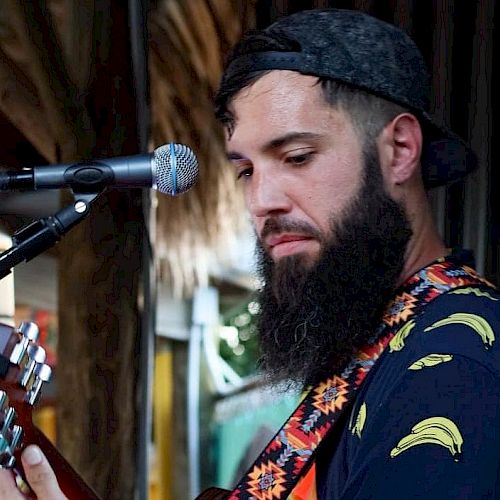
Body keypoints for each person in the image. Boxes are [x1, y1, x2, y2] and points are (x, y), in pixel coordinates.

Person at [1, 8, 499, 500]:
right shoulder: (381, 346)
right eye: (245, 170)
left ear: (400, 149)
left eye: (297, 157)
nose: (261, 201)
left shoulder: (456, 367)